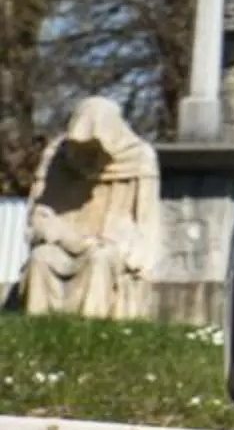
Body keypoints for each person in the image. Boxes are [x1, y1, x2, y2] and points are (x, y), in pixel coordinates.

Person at [23, 97, 159, 319]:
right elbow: (40, 209)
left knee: (100, 259)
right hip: (66, 239)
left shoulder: (140, 158)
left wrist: (127, 248)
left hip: (111, 241)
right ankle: (39, 324)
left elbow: (145, 221)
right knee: (42, 258)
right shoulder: (56, 156)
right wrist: (52, 230)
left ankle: (92, 325)